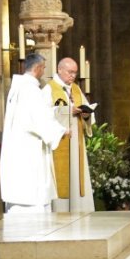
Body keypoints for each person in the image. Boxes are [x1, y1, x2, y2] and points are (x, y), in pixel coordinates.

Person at [0, 53, 68, 213]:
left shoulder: (17, 88)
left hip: (18, 150)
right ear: (37, 68)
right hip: (29, 153)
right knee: (32, 203)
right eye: (44, 68)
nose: (44, 71)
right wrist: (62, 131)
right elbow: (40, 121)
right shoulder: (31, 90)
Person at [43, 57, 95, 212]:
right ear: (59, 70)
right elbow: (44, 115)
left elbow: (87, 114)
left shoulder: (76, 89)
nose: (73, 76)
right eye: (70, 72)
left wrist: (86, 115)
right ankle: (61, 209)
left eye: (75, 73)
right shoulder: (49, 89)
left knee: (77, 176)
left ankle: (78, 208)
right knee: (62, 179)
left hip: (76, 142)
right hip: (60, 142)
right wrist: (67, 111)